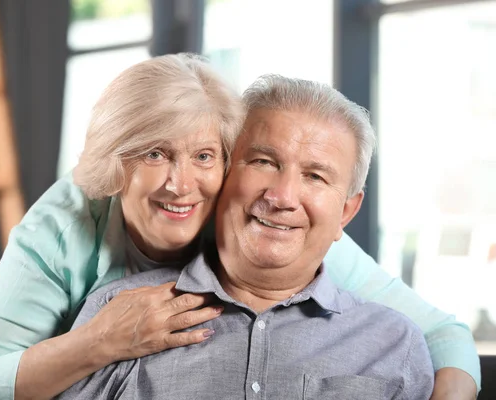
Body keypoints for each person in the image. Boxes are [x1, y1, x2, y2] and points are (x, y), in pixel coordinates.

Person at [0, 55, 479, 400]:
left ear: (227, 161)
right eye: (155, 154)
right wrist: (95, 344)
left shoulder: (268, 220)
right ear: (115, 164)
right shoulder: (69, 226)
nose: (180, 184)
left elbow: (442, 337)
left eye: (205, 157)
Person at [57, 75, 435, 399]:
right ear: (222, 174)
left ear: (347, 212)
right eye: (263, 162)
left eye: (315, 176)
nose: (282, 197)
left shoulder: (394, 345)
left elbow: (451, 338)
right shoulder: (116, 315)